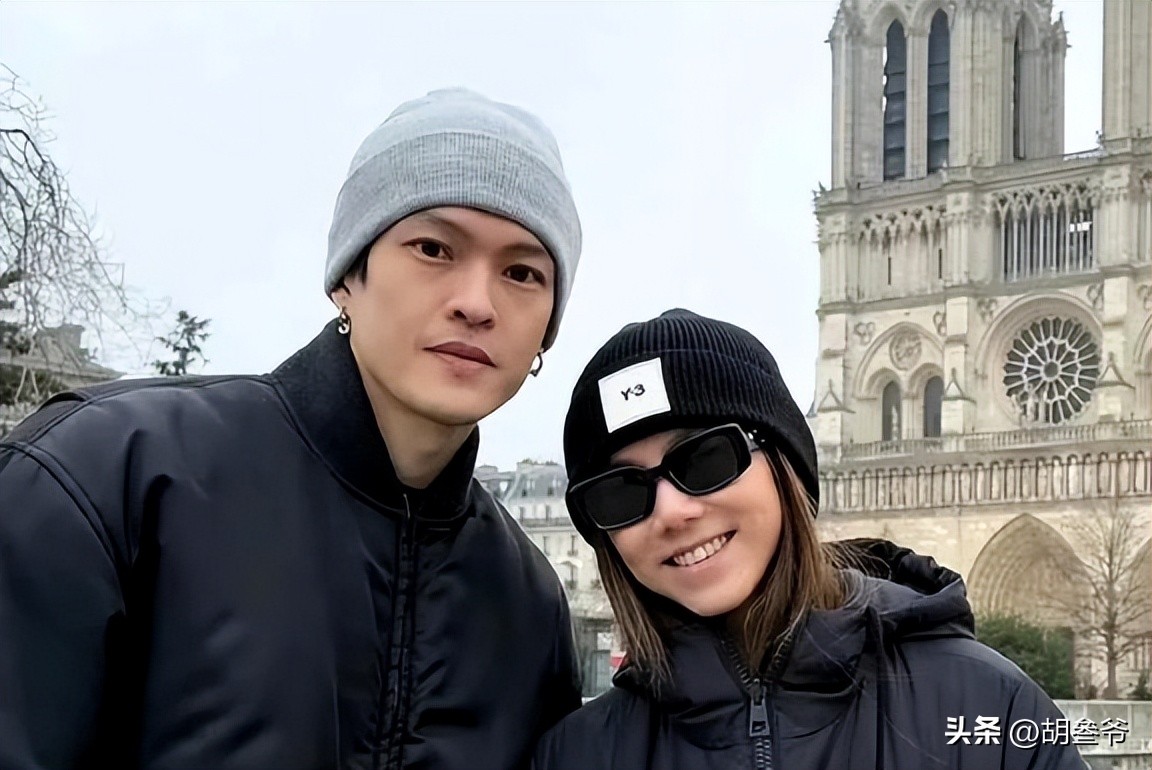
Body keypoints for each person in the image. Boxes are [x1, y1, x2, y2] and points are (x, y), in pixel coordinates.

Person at [0, 88, 584, 769]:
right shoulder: (106, 477)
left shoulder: (529, 607)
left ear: (547, 329)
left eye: (521, 272)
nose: (476, 303)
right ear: (347, 277)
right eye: (433, 248)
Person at [534, 309, 1087, 770]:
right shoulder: (574, 755)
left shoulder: (992, 709)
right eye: (619, 494)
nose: (672, 512)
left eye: (706, 458)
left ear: (787, 466)